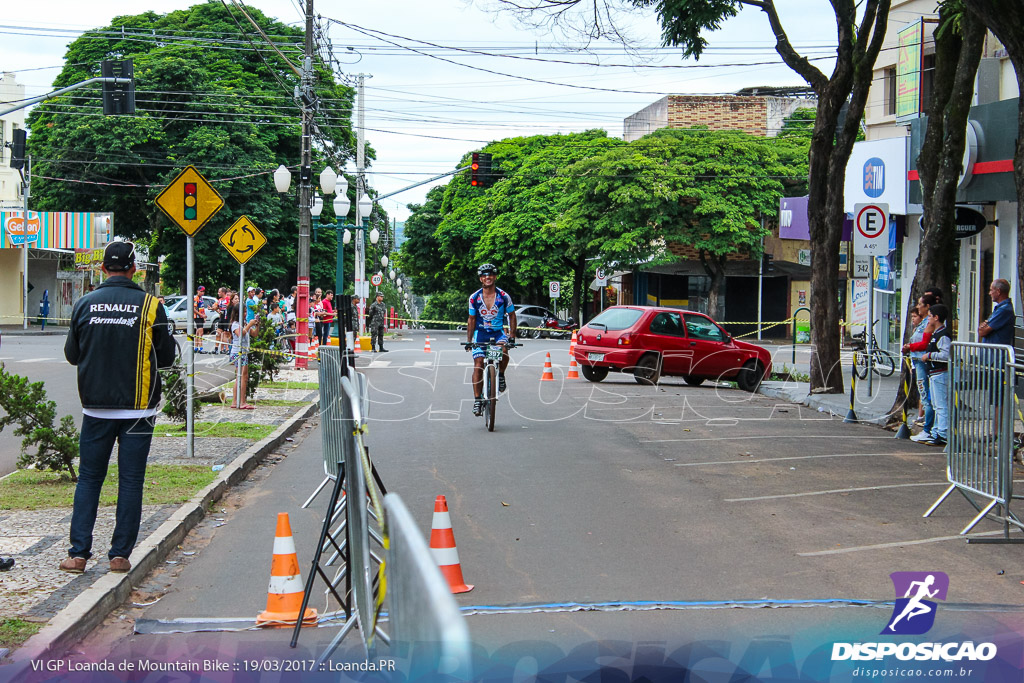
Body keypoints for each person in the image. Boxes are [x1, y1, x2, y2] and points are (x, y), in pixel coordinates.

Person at [61, 241, 176, 574]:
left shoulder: (84, 304)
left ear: (102, 269)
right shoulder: (151, 306)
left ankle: (78, 554)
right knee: (130, 482)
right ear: (133, 269)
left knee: (89, 481)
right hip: (138, 411)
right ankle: (119, 555)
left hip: (95, 409)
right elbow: (166, 358)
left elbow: (72, 355)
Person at [466, 263, 517, 416]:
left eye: (490, 274)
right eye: (484, 275)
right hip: (480, 334)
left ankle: (500, 374)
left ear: (495, 277)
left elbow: (512, 316)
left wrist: (512, 336)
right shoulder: (474, 298)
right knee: (478, 363)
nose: (487, 277)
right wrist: (469, 341)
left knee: (504, 350)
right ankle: (477, 400)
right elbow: (471, 319)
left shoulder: (503, 296)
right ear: (481, 279)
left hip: (498, 333)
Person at [902, 293, 938, 441]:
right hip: (918, 361)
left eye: (920, 305)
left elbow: (924, 343)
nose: (918, 307)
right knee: (925, 396)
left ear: (927, 307)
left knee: (926, 397)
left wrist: (910, 347)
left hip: (923, 362)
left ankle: (928, 429)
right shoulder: (923, 323)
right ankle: (929, 427)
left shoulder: (929, 324)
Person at [920, 304, 952, 447]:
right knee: (936, 404)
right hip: (934, 373)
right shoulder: (936, 334)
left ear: (936, 318)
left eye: (930, 316)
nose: (928, 318)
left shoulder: (943, 335)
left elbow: (946, 355)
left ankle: (943, 433)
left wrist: (930, 355)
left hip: (940, 374)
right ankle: (936, 432)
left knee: (941, 405)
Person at [228, 302, 258, 410]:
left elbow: (253, 334)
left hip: (243, 352)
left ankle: (236, 401)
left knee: (240, 377)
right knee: (243, 377)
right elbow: (240, 334)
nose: (245, 314)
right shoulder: (235, 324)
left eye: (246, 312)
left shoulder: (243, 323)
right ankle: (241, 402)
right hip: (238, 352)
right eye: (244, 312)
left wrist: (256, 326)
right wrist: (249, 325)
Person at [979, 279, 1015, 346]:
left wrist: (983, 327)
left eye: (991, 290)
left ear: (998, 291)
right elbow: (982, 330)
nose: (990, 293)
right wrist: (982, 327)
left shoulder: (1004, 310)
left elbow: (983, 332)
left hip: (995, 354)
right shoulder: (1000, 308)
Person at [215, 287, 231, 354]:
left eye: (219, 292)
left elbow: (229, 307)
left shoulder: (228, 299)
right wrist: (216, 310)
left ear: (223, 292)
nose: (218, 293)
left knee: (225, 334)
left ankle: (227, 349)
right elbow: (216, 307)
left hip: (226, 319)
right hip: (221, 318)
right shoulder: (220, 300)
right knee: (218, 333)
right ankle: (216, 349)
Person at [193, 285, 207, 353]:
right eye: (201, 291)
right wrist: (200, 315)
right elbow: (194, 309)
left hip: (201, 317)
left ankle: (196, 347)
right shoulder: (196, 298)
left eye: (203, 291)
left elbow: (202, 308)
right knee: (200, 332)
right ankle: (201, 348)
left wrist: (203, 317)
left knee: (198, 332)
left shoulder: (201, 298)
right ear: (198, 291)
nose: (202, 293)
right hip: (197, 317)